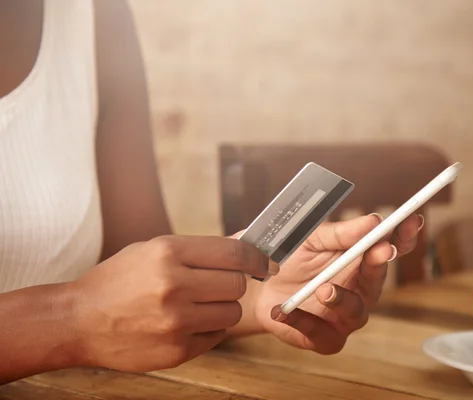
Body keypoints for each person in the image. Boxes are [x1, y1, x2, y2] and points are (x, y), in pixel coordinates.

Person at [0, 0, 423, 385]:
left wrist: (260, 295)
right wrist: (71, 321)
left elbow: (137, 282)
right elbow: (94, 313)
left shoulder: (94, 15)